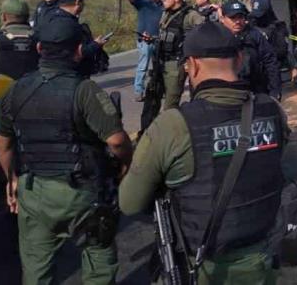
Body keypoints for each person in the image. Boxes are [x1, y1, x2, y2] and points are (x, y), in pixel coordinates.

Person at [119, 22, 286, 284]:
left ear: (192, 66)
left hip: (200, 266)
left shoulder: (173, 125)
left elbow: (129, 203)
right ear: (240, 59)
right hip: (261, 260)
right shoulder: (273, 111)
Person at [0, 16, 133, 285]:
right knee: (98, 258)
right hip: (83, 193)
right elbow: (117, 142)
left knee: (36, 266)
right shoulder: (85, 91)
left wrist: (11, 181)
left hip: (34, 191)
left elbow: (3, 142)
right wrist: (125, 167)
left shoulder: (15, 90)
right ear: (79, 51)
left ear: (38, 49)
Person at [139, 0, 204, 133]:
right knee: (151, 101)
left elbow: (204, 35)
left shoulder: (191, 15)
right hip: (159, 63)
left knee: (170, 106)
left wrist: (191, 59)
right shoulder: (166, 13)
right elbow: (166, 36)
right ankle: (145, 134)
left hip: (176, 65)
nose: (162, 0)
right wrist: (152, 39)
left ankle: (166, 138)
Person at [40, 0, 110, 78]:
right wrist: (96, 44)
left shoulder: (48, 19)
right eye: (83, 1)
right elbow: (80, 53)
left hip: (45, 73)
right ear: (77, 2)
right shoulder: (73, 27)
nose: (84, 4)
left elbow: (39, 45)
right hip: (69, 75)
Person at [220, 0, 282, 100]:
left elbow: (270, 61)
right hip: (228, 93)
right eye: (232, 18)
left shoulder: (255, 35)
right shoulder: (217, 38)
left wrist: (275, 90)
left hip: (256, 90)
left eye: (240, 17)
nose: (237, 21)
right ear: (223, 18)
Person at [124, 0, 164, 102]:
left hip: (159, 40)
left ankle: (157, 89)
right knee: (143, 66)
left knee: (159, 67)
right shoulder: (143, 1)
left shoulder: (163, 5)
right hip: (144, 41)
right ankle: (138, 91)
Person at [250, 0, 293, 72]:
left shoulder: (278, 27)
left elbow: (282, 49)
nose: (257, 18)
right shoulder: (250, 26)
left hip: (275, 67)